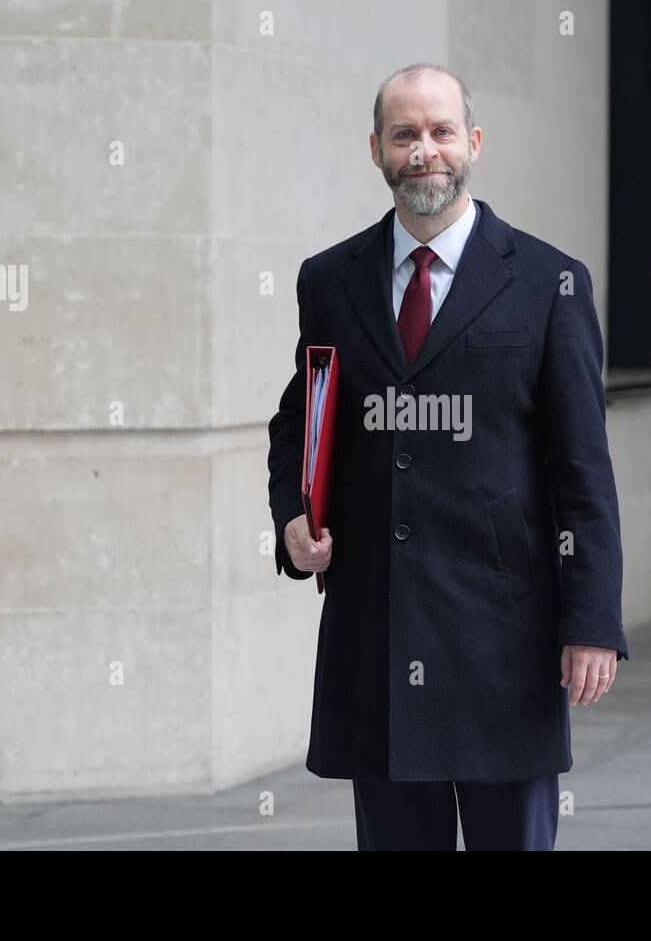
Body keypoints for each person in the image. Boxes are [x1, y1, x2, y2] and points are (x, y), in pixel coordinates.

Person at [266, 62, 628, 851]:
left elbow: (582, 470)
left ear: (473, 142)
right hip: (380, 638)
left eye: (439, 131)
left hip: (505, 643)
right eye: (405, 134)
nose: (423, 149)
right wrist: (292, 520)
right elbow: (300, 419)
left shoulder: (550, 282)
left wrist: (592, 619)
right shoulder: (330, 279)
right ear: (376, 150)